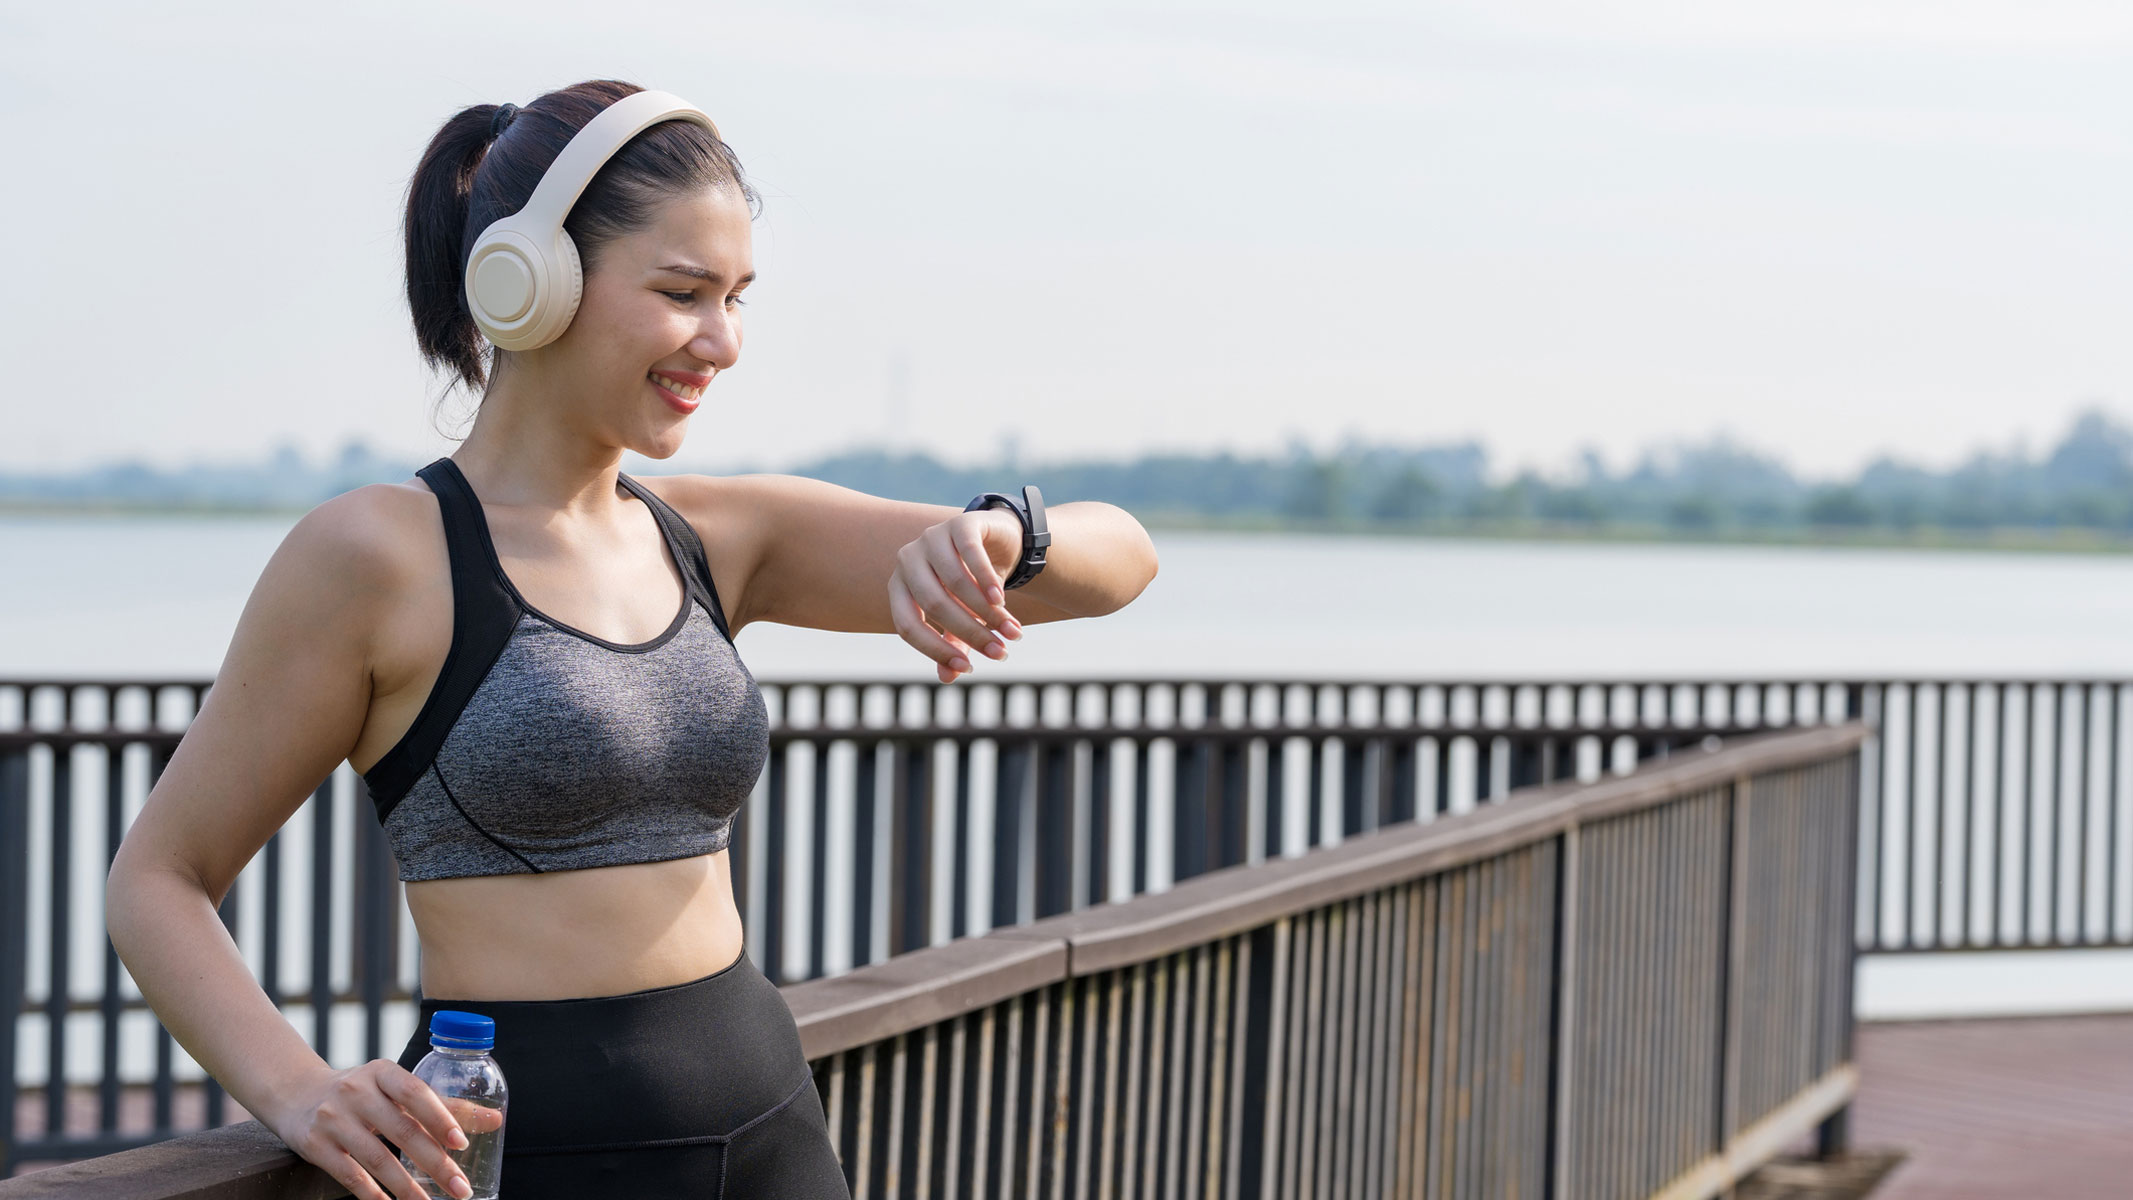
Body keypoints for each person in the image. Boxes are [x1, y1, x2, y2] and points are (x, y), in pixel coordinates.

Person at [103, 78, 1159, 1200]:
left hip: (772, 1131)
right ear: (531, 284)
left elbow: (1120, 562)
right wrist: (300, 1091)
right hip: (529, 1156)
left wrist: (1000, 533)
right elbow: (159, 879)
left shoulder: (715, 534)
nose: (725, 340)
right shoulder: (378, 555)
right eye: (683, 291)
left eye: (739, 296)